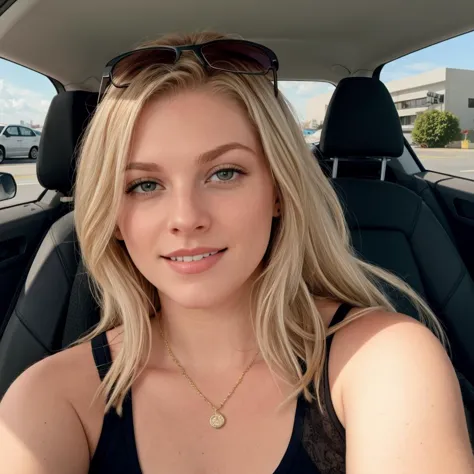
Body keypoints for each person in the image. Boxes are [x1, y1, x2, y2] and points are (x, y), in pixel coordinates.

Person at [0, 31, 472, 474]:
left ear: (280, 190)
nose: (186, 217)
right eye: (145, 184)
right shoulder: (50, 399)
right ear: (115, 216)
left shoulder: (385, 361)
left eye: (224, 173)